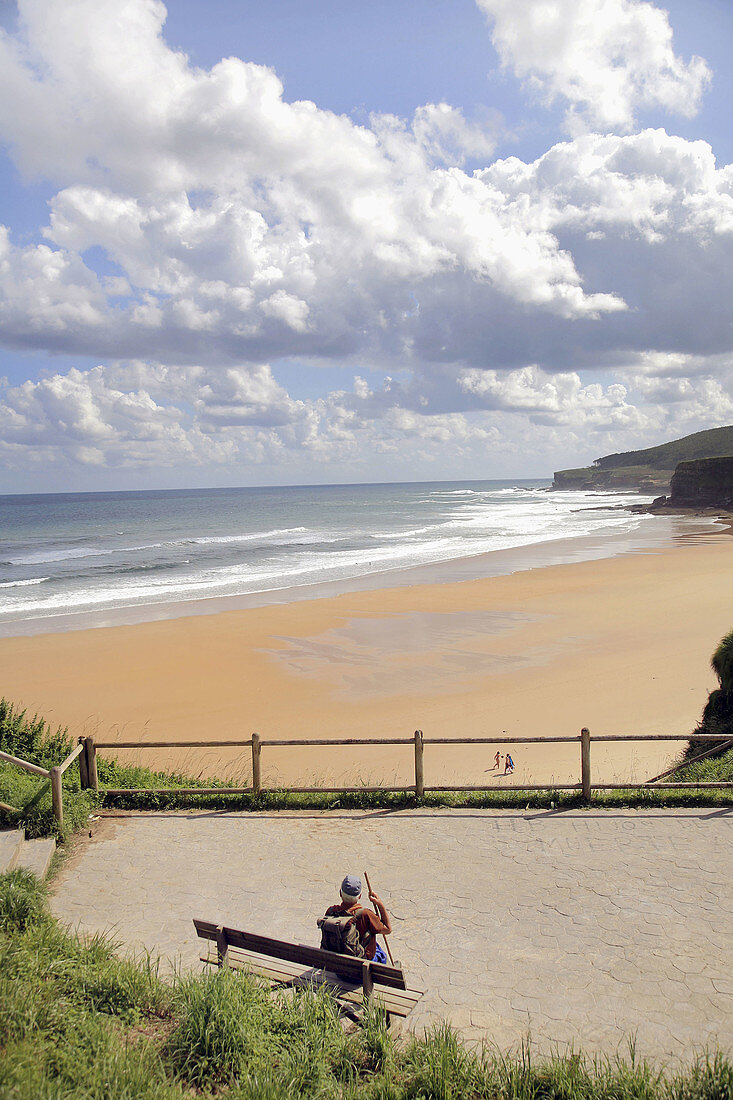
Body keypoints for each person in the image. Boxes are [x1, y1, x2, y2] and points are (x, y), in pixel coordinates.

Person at [319, 874, 392, 964]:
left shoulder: (331, 912)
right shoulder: (365, 914)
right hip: (361, 972)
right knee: (379, 953)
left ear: (340, 893)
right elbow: (388, 929)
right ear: (360, 896)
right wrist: (380, 905)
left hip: (338, 968)